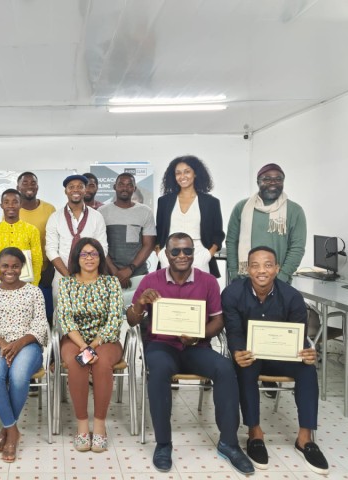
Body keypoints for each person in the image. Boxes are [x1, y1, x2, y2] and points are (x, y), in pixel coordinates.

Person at [126, 233, 253, 475]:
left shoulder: (208, 282)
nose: (182, 256)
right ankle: (163, 444)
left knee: (225, 368)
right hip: (162, 346)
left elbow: (218, 321)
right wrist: (140, 303)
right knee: (158, 370)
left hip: (196, 347)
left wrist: (199, 335)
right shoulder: (151, 280)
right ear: (166, 254)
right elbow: (132, 321)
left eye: (187, 251)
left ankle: (229, 443)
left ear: (194, 254)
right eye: (176, 251)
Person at [222, 246, 329, 474]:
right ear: (247, 269)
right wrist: (237, 351)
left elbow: (299, 336)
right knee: (245, 367)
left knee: (308, 369)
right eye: (255, 265)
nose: (262, 270)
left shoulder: (292, 296)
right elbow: (233, 330)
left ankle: (305, 439)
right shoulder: (232, 293)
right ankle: (255, 433)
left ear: (277, 269)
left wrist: (307, 351)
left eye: (268, 265)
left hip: (283, 356)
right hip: (251, 354)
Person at [0, 247, 49, 463]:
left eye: (15, 266)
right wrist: (5, 345)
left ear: (22, 267)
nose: (10, 270)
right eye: (5, 266)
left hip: (28, 346)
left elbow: (40, 325)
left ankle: (7, 433)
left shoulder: (34, 292)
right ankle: (12, 430)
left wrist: (17, 345)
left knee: (18, 376)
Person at [58, 237, 123, 453]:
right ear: (77, 257)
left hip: (105, 339)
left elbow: (114, 319)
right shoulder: (67, 283)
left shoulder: (111, 283)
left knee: (101, 363)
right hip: (74, 339)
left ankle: (100, 425)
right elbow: (65, 318)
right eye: (84, 254)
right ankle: (82, 425)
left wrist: (93, 344)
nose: (89, 258)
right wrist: (83, 346)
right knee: (78, 362)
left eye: (93, 254)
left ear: (100, 258)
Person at [226, 163, 306, 284]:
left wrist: (282, 277)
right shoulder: (241, 207)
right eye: (267, 179)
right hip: (244, 280)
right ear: (258, 182)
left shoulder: (295, 210)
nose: (273, 183)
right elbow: (231, 242)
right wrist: (233, 273)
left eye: (278, 179)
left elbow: (297, 248)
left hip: (278, 281)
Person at [156, 155, 225, 276]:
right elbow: (159, 231)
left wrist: (208, 255)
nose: (182, 176)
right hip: (170, 255)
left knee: (198, 288)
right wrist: (160, 253)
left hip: (199, 254)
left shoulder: (211, 202)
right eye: (178, 173)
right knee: (169, 288)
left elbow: (217, 233)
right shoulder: (164, 201)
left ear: (195, 173)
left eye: (187, 172)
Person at [45, 174, 108, 303]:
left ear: (85, 190)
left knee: (90, 312)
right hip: (63, 277)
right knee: (62, 314)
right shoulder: (55, 217)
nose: (75, 190)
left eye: (80, 187)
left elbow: (102, 248)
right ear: (66, 191)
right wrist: (69, 277)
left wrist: (86, 274)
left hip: (91, 277)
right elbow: (51, 250)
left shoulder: (96, 217)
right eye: (71, 187)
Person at [98, 172, 156, 306]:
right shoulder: (102, 212)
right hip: (109, 275)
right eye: (121, 184)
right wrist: (114, 272)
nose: (125, 188)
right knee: (110, 313)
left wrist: (130, 269)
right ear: (114, 187)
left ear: (134, 188)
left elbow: (148, 245)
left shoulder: (145, 211)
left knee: (140, 312)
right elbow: (99, 245)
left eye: (129, 185)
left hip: (138, 275)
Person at [0, 189, 42, 287]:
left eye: (15, 202)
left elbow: (37, 260)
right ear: (1, 205)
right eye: (6, 202)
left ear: (20, 204)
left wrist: (33, 285)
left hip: (25, 285)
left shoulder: (31, 230)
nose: (11, 205)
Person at [17, 171, 57, 323]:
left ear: (37, 187)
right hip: (21, 271)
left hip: (45, 270)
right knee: (25, 315)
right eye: (25, 183)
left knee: (46, 314)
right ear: (18, 187)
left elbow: (55, 240)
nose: (29, 186)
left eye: (33, 183)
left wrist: (50, 267)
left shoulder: (49, 209)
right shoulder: (13, 209)